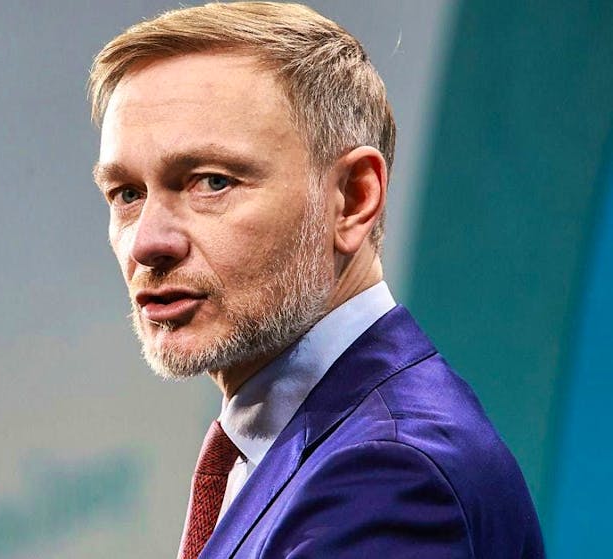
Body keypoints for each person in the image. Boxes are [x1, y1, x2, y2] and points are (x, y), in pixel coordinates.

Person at [88, 3, 544, 558]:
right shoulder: (311, 446)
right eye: (127, 194)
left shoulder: (388, 475)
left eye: (211, 182)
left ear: (353, 199)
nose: (147, 243)